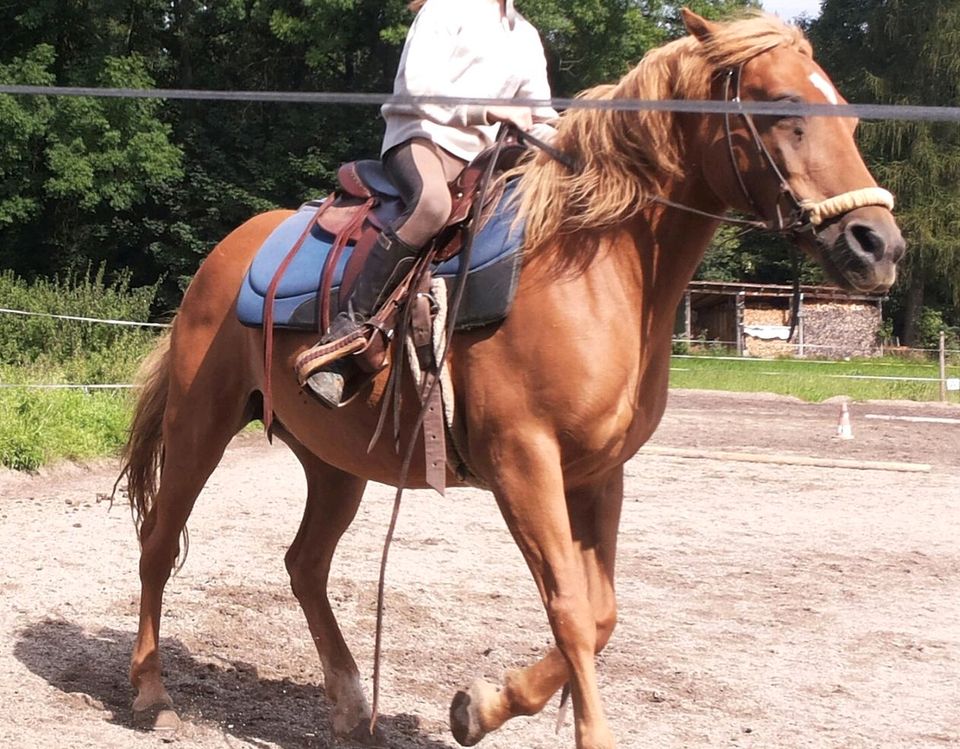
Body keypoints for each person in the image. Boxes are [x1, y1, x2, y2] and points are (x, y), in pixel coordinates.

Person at [304, 0, 558, 408]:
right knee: (432, 206)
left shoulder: (525, 34)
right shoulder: (444, 9)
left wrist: (575, 134)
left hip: (484, 159)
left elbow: (539, 115)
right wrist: (486, 109)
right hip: (421, 140)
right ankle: (345, 334)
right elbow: (419, 89)